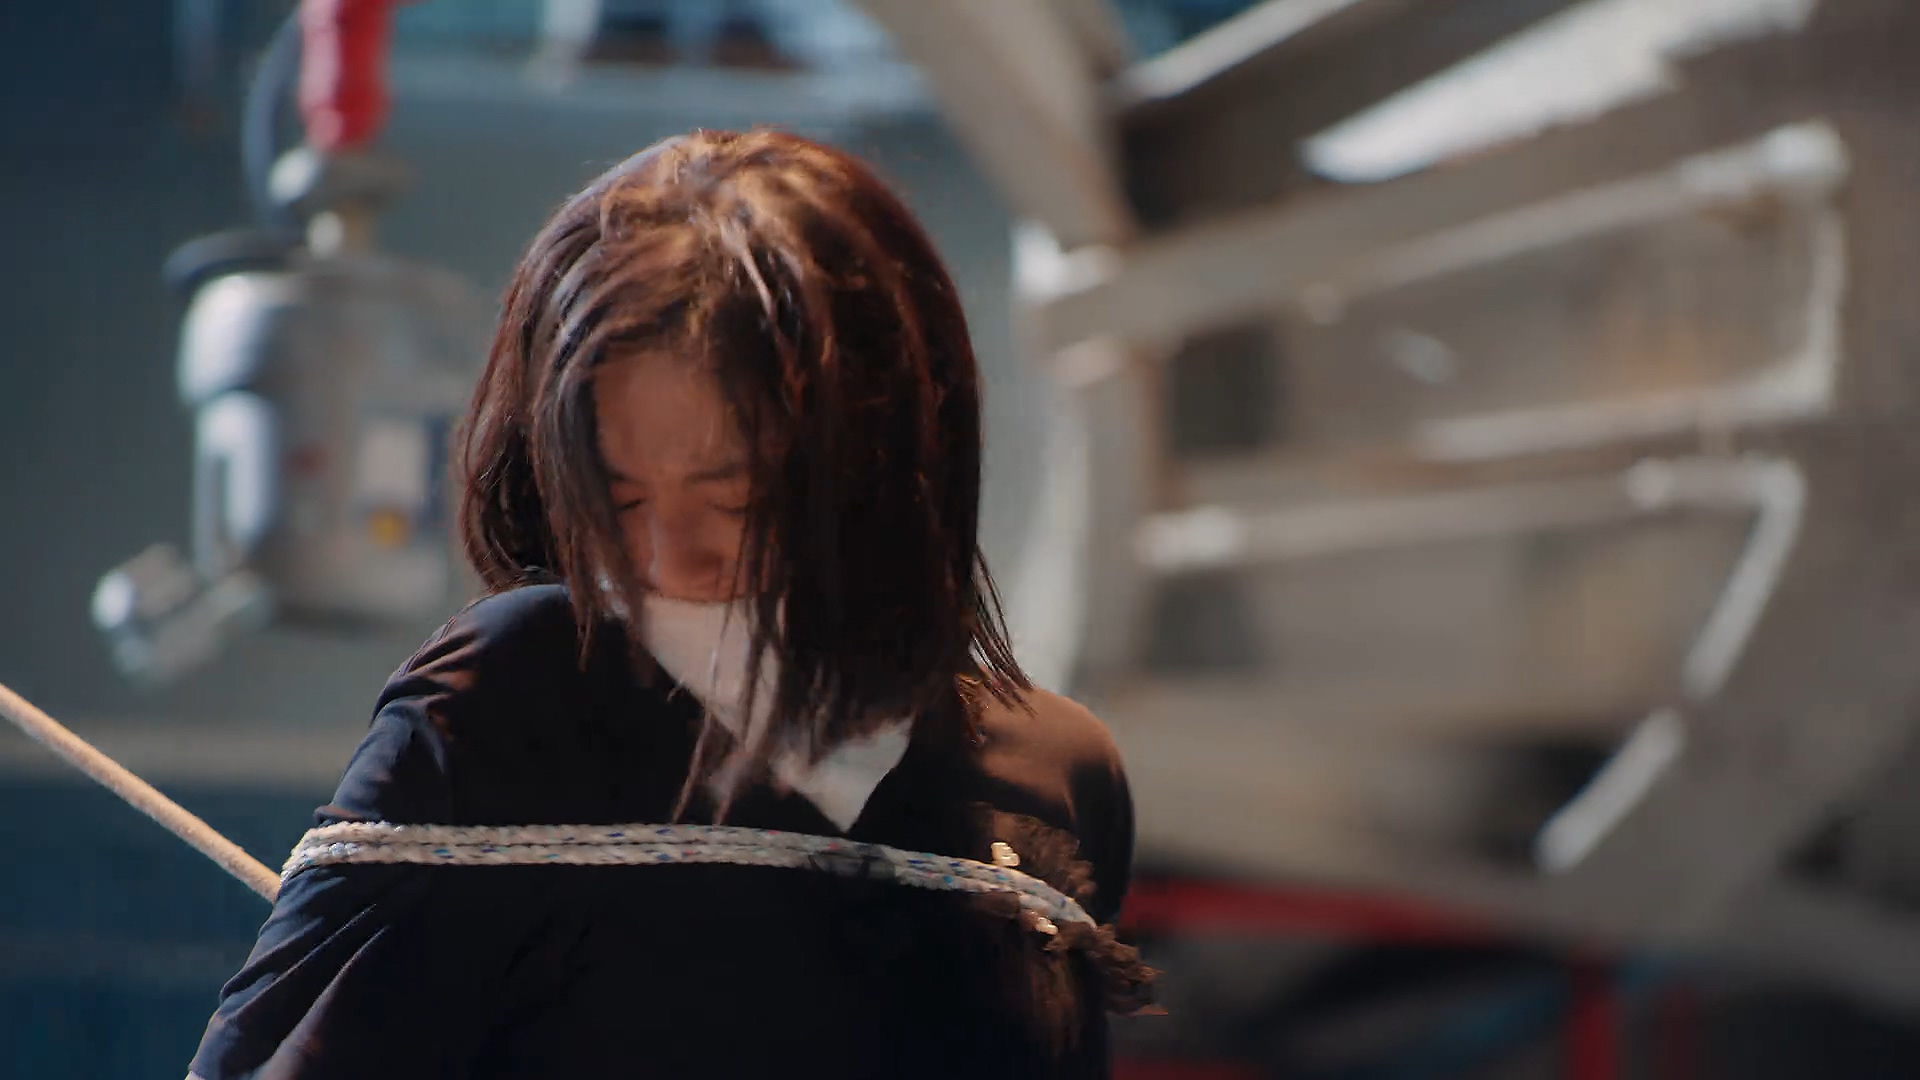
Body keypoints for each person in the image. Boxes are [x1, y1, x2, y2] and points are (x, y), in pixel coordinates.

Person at [187, 128, 1153, 1080]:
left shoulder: (1056, 773)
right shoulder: (512, 698)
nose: (665, 558)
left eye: (734, 497)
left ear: (882, 449)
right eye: (619, 499)